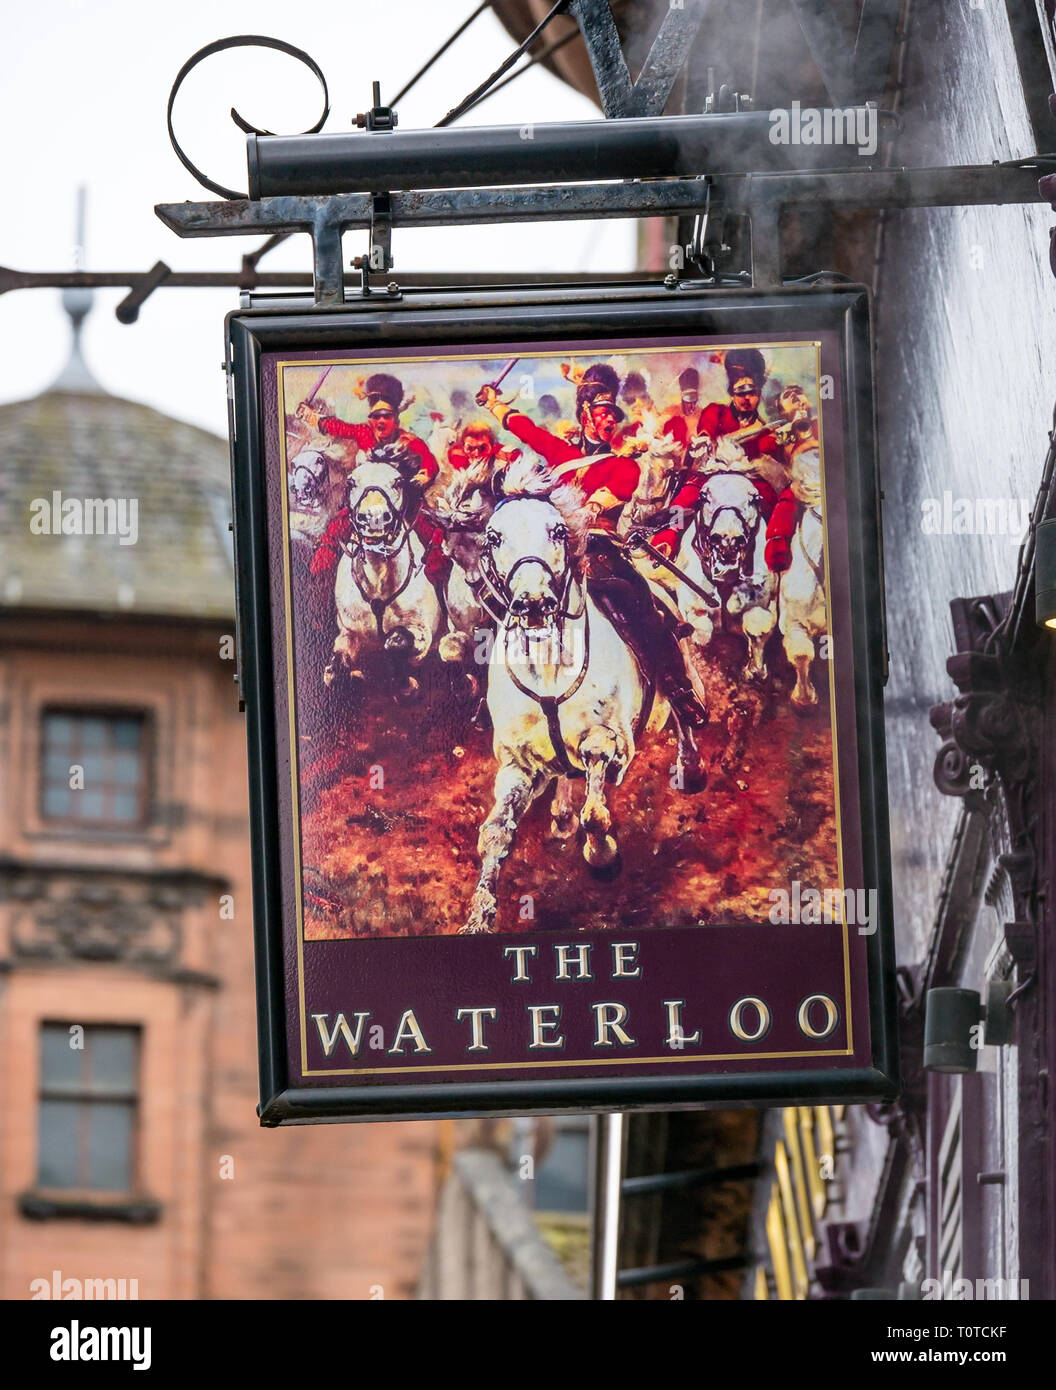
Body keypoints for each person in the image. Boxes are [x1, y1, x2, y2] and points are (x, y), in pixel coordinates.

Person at [477, 362, 710, 772]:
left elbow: (607, 498)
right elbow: (525, 429)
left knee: (641, 602)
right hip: (556, 553)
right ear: (585, 416)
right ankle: (490, 694)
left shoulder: (625, 464)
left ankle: (677, 689)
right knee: (502, 605)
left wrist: (591, 508)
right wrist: (495, 405)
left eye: (613, 416)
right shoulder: (560, 455)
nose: (609, 422)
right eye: (602, 414)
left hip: (602, 551)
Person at [650, 350, 784, 557]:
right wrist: (703, 439)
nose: (746, 399)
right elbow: (707, 428)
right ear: (732, 393)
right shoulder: (716, 411)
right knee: (682, 501)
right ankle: (667, 540)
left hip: (749, 480)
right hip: (712, 474)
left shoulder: (766, 429)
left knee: (772, 506)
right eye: (741, 393)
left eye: (752, 393)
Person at [763, 385, 822, 573]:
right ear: (782, 411)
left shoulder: (821, 423)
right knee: (786, 503)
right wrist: (783, 434)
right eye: (788, 396)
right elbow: (761, 446)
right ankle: (777, 549)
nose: (796, 395)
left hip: (827, 478)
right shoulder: (782, 434)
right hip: (802, 485)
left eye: (799, 391)